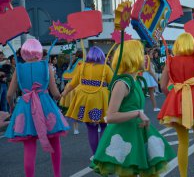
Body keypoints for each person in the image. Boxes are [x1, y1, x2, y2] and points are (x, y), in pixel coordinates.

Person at [90, 40, 175, 176]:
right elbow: (110, 116)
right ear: (133, 57)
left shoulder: (134, 80)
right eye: (141, 53)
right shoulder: (122, 83)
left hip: (137, 133)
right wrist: (137, 113)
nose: (144, 57)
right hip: (124, 136)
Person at [5, 39, 69, 177]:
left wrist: (12, 108)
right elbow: (55, 93)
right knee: (55, 142)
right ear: (39, 52)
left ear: (23, 53)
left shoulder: (19, 69)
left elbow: (9, 95)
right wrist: (62, 94)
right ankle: (57, 175)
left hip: (25, 106)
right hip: (46, 106)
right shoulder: (47, 67)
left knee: (29, 146)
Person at [158, 33, 194, 177]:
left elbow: (163, 86)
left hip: (177, 98)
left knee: (182, 141)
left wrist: (172, 97)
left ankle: (183, 175)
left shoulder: (170, 61)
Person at [61, 46, 113, 156]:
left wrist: (64, 93)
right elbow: (113, 83)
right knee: (104, 125)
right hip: (101, 99)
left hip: (85, 100)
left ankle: (95, 154)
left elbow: (73, 83)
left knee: (91, 128)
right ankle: (102, 154)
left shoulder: (82, 67)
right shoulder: (105, 68)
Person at [59, 50, 83, 135]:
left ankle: (73, 128)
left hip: (69, 87)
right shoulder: (82, 63)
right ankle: (97, 125)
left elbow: (66, 74)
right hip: (78, 87)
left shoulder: (72, 64)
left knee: (71, 108)